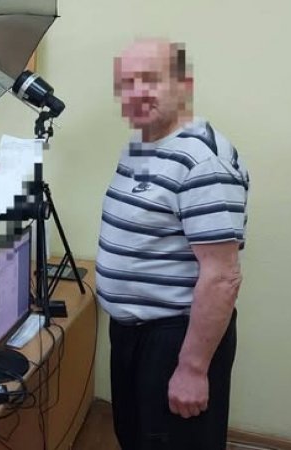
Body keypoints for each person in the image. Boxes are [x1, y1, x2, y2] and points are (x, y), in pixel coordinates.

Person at [97, 38, 250, 450]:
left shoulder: (203, 161)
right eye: (126, 82)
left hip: (172, 339)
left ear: (185, 85)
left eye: (149, 79)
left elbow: (222, 277)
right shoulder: (142, 145)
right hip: (133, 335)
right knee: (136, 438)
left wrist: (192, 369)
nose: (135, 92)